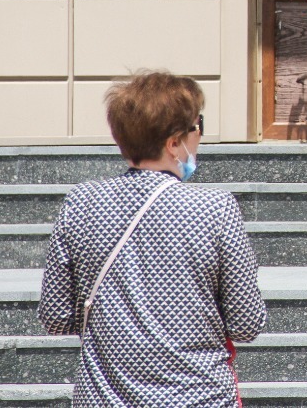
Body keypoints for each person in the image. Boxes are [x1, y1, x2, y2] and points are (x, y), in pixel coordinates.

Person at [38, 70, 266, 407]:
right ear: (174, 143)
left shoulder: (82, 202)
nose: (200, 134)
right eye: (196, 125)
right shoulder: (215, 208)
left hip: (104, 398)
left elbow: (56, 316)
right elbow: (246, 323)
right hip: (199, 397)